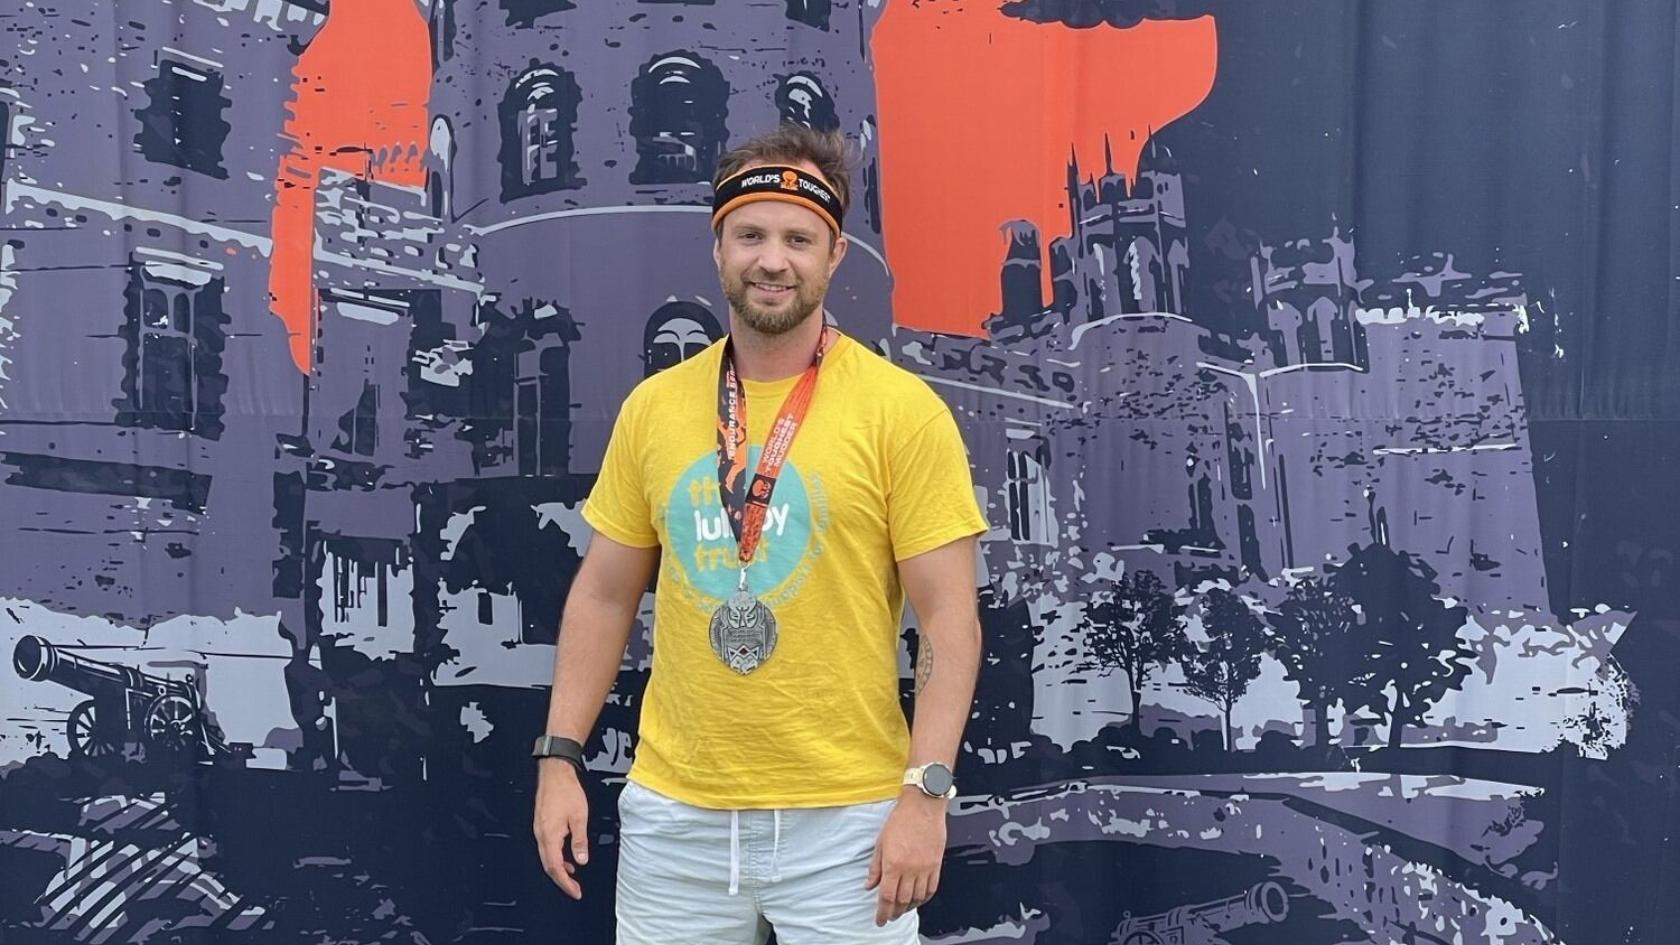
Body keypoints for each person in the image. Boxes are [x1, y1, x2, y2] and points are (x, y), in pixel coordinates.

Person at [532, 124, 988, 944]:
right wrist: (560, 756)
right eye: (750, 234)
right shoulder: (655, 409)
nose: (772, 259)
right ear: (718, 249)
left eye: (797, 238)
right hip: (678, 818)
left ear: (834, 254)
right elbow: (603, 595)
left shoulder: (901, 412)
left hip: (848, 823)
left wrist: (925, 795)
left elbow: (949, 619)